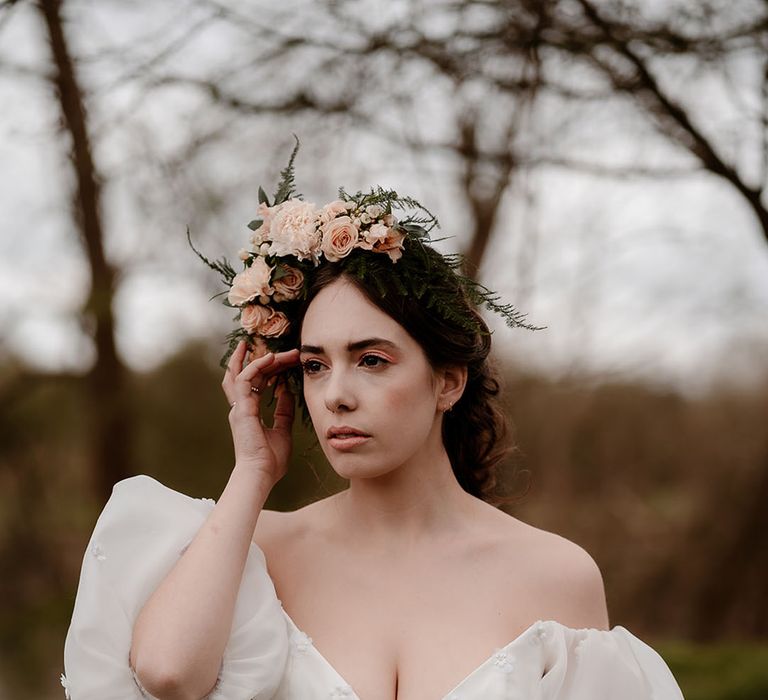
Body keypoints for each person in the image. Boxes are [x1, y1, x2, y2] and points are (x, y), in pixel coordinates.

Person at [61, 145, 684, 699]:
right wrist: (252, 473)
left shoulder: (555, 574)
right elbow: (167, 676)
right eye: (313, 365)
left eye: (372, 360)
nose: (335, 394)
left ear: (448, 380)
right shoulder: (256, 552)